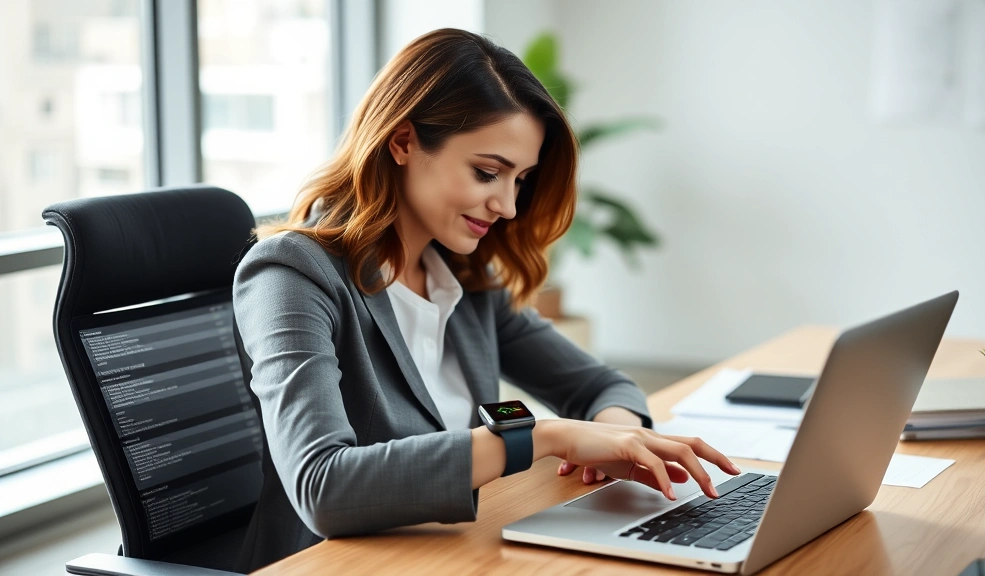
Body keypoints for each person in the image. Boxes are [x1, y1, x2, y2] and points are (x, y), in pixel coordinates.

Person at [232, 28, 739, 572]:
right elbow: (323, 485)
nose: (508, 206)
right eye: (487, 173)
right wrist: (543, 438)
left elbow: (598, 385)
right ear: (402, 142)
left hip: (456, 551)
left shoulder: (462, 276)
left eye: (520, 180)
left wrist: (619, 438)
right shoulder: (291, 273)